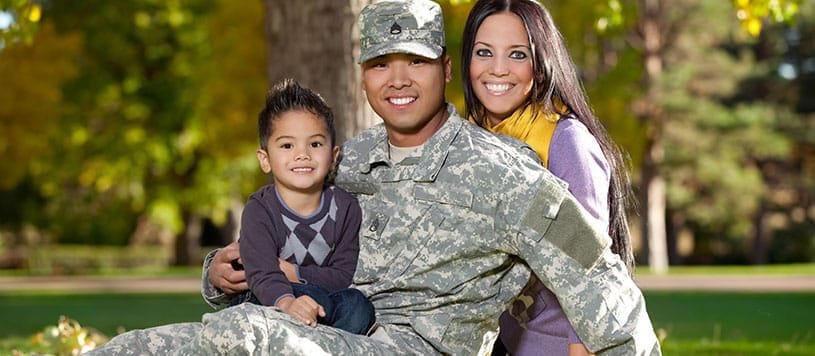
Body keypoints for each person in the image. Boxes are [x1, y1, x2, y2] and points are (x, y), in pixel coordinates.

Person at [89, 1, 661, 355]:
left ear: (443, 69)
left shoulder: (505, 175)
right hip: (326, 329)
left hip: (415, 349)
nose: (398, 78)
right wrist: (219, 273)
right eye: (381, 63)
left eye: (414, 60)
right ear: (362, 75)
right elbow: (276, 246)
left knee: (251, 339)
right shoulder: (346, 161)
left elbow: (603, 284)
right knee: (199, 336)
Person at [460, 1, 635, 355]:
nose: (497, 69)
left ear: (541, 63)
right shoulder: (470, 139)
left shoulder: (565, 141)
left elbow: (589, 270)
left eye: (517, 55)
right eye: (484, 52)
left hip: (557, 345)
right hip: (495, 339)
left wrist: (580, 350)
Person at [227, 78, 374, 335]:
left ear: (333, 157)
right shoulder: (260, 210)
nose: (302, 154)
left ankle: (320, 342)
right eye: (287, 145)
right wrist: (288, 302)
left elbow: (342, 275)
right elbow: (261, 273)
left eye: (315, 144)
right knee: (254, 301)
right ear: (265, 159)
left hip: (321, 298)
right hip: (267, 296)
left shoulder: (345, 207)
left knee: (357, 305)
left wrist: (293, 272)